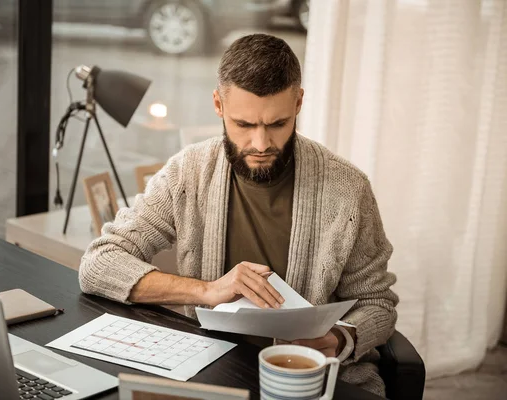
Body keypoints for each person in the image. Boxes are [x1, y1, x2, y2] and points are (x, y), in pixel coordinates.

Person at [79, 33, 398, 396]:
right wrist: (207, 290)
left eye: (277, 124)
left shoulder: (349, 189)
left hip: (313, 382)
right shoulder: (187, 172)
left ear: (298, 103)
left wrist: (340, 338)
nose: (261, 144)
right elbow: (98, 264)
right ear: (218, 104)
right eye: (244, 125)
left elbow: (378, 303)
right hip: (211, 375)